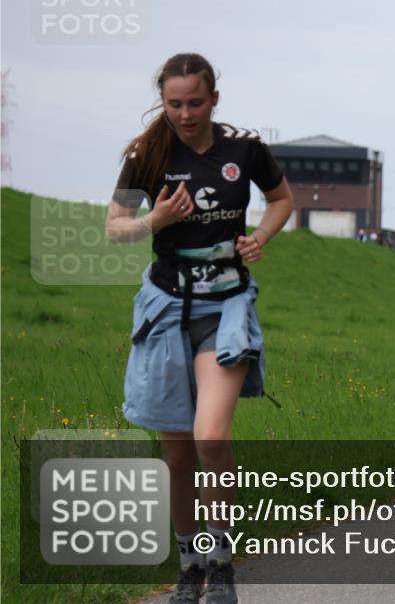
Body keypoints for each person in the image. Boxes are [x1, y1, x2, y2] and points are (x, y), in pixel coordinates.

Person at [106, 53, 293, 603]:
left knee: (211, 436)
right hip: (166, 310)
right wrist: (154, 221)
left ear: (215, 98)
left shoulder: (245, 147)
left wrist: (262, 235)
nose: (185, 114)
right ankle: (189, 565)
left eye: (194, 102)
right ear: (162, 101)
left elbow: (281, 200)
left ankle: (222, 563)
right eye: (173, 104)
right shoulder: (148, 154)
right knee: (178, 454)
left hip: (226, 306)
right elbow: (115, 229)